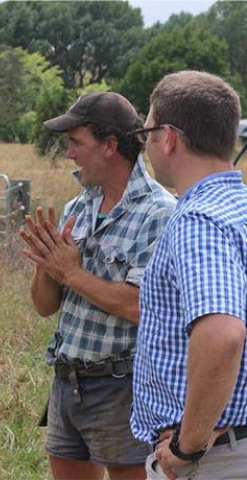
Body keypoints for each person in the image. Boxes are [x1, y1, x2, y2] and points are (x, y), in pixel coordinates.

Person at [20, 91, 176, 480]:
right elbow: (44, 306)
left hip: (120, 386)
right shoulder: (78, 207)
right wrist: (47, 263)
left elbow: (141, 306)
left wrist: (71, 272)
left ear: (109, 146)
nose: (69, 154)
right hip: (67, 380)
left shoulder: (159, 214)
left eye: (76, 142)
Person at [131, 70, 247, 479]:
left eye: (145, 132)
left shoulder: (200, 220)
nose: (144, 144)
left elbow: (223, 333)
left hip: (215, 460)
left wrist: (187, 445)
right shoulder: (239, 207)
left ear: (168, 137)